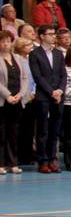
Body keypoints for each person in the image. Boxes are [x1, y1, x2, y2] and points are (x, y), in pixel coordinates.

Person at [29, 25, 66, 173]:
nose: (53, 36)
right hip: (43, 96)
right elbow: (38, 76)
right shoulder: (35, 54)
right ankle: (42, 160)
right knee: (43, 130)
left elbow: (63, 75)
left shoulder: (58, 53)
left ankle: (52, 159)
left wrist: (60, 91)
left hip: (58, 95)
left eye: (54, 34)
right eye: (49, 34)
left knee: (54, 130)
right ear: (42, 36)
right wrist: (52, 92)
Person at [0, 30, 27, 173]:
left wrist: (20, 95)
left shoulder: (18, 58)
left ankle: (13, 163)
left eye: (8, 41)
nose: (5, 44)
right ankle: (1, 163)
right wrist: (8, 95)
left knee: (14, 132)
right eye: (3, 41)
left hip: (17, 101)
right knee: (1, 132)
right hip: (3, 101)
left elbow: (24, 78)